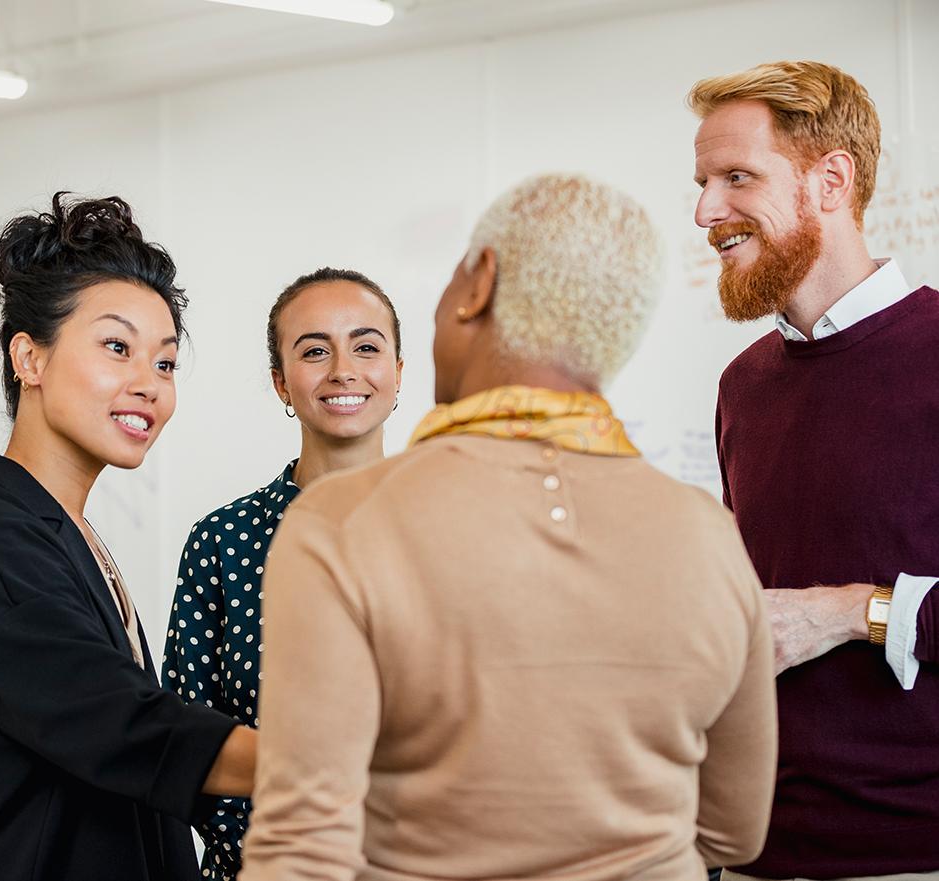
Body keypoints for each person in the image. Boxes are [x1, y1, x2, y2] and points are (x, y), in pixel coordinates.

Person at [238, 174, 778, 881]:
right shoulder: (706, 535)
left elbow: (300, 852)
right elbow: (733, 831)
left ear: (479, 281)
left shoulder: (340, 522)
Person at [0, 193, 256, 881]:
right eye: (115, 347)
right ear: (29, 358)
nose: (148, 385)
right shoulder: (0, 552)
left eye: (164, 363)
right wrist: (352, 764)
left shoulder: (58, 528)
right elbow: (126, 727)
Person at [690, 60, 939, 881]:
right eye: (701, 182)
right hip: (751, 852)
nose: (704, 211)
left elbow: (810, 616)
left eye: (736, 177)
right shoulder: (741, 386)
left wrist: (850, 611)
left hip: (907, 854)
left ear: (829, 181)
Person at [163, 266, 403, 880]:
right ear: (281, 382)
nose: (343, 370)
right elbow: (185, 740)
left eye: (367, 346)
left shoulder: (456, 529)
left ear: (398, 373)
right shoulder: (222, 543)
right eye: (315, 350)